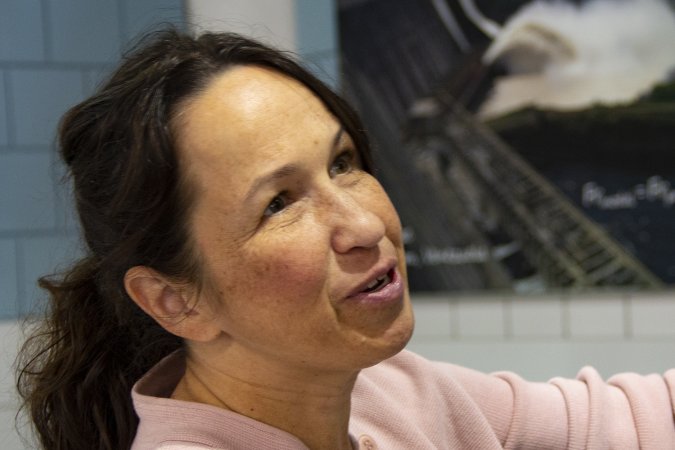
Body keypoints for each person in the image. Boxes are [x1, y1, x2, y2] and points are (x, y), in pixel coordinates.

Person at [16, 29, 675, 450]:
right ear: (173, 300)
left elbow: (632, 418)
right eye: (279, 204)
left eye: (342, 164)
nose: (364, 227)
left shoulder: (396, 395)